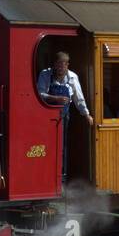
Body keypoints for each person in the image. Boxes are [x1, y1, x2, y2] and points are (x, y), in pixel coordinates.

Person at [36, 51, 93, 183]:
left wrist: (86, 114)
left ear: (67, 65)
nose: (61, 68)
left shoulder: (73, 77)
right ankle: (47, 177)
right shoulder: (45, 74)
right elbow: (39, 94)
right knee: (47, 146)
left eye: (64, 65)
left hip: (64, 116)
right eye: (58, 65)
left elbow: (79, 98)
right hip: (46, 115)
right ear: (54, 65)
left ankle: (62, 177)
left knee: (62, 146)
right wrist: (55, 98)